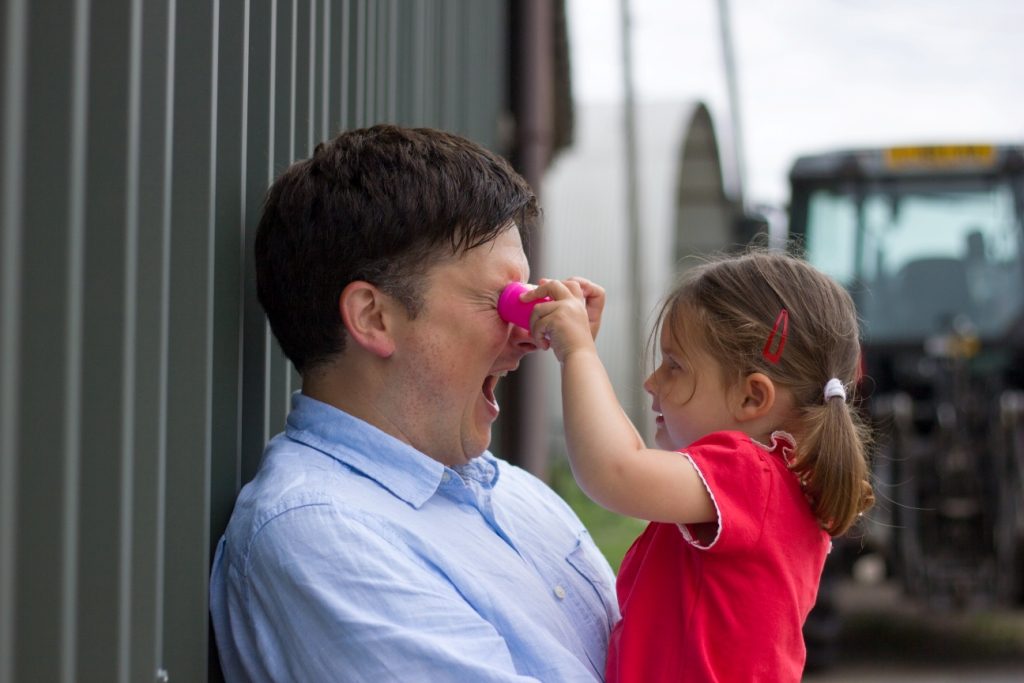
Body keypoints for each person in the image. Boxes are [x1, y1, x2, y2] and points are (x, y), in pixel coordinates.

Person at [209, 124, 619, 682]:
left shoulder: (515, 493)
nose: (533, 337)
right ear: (374, 318)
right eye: (505, 302)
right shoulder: (325, 536)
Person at [521, 251, 875, 682]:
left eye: (674, 366)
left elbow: (616, 471)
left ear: (752, 398)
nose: (652, 382)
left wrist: (577, 352)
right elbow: (628, 460)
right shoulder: (783, 484)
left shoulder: (751, 476)